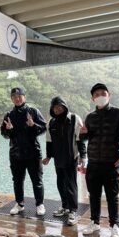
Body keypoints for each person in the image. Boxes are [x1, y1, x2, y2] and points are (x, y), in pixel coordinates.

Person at [80, 83, 119, 237]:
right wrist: (82, 134)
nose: (100, 96)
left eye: (103, 93)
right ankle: (95, 222)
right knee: (94, 195)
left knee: (112, 196)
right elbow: (84, 138)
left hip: (112, 164)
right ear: (92, 98)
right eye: (96, 95)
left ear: (109, 94)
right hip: (93, 163)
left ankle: (114, 225)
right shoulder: (90, 117)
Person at [0, 87, 47, 216]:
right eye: (14, 96)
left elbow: (43, 128)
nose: (17, 98)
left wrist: (33, 125)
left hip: (33, 152)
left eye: (20, 96)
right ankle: (19, 203)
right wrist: (9, 129)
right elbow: (4, 134)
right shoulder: (9, 115)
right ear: (12, 99)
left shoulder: (33, 111)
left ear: (24, 97)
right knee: (17, 180)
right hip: (16, 153)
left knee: (37, 180)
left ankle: (39, 204)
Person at [42, 96, 86, 226]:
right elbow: (49, 142)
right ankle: (65, 207)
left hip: (72, 157)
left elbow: (80, 139)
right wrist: (48, 157)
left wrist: (83, 155)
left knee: (71, 184)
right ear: (52, 109)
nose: (57, 109)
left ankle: (73, 211)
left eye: (60, 107)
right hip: (58, 158)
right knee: (60, 183)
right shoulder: (51, 123)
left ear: (65, 106)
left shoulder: (74, 118)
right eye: (55, 107)